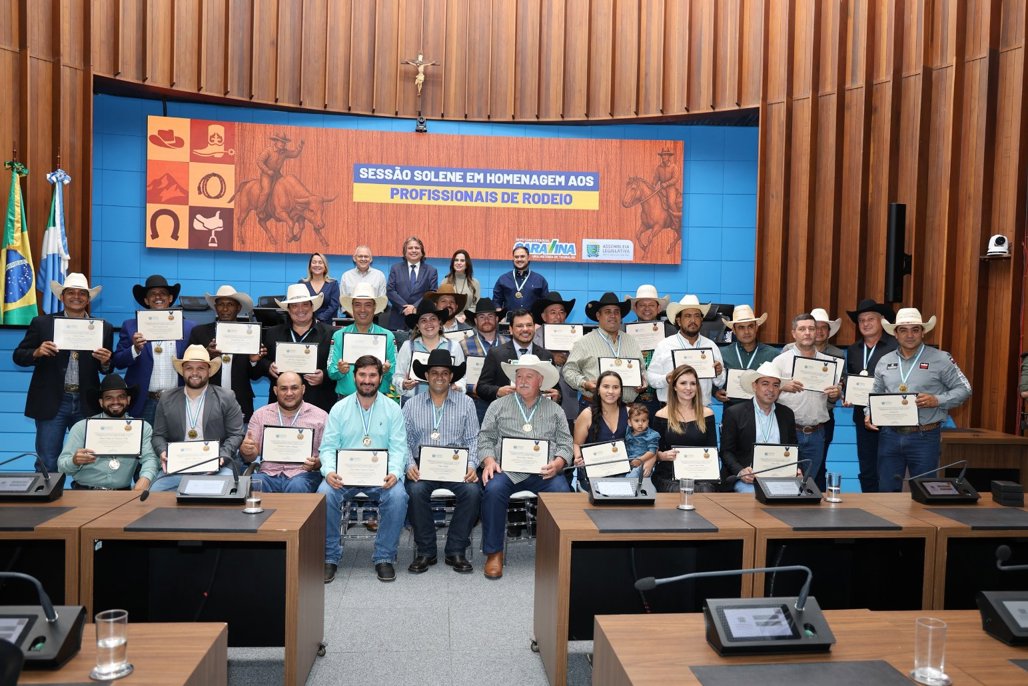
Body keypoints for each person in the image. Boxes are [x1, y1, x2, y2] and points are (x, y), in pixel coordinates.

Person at [479, 355, 572, 578]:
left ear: (541, 381)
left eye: (529, 376)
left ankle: (557, 553)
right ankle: (494, 553)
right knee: (492, 490)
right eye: (519, 376)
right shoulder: (498, 406)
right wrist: (489, 461)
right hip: (506, 470)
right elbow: (485, 438)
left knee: (562, 493)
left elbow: (566, 443)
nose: (522, 381)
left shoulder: (555, 410)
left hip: (544, 472)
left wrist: (558, 463)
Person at [317, 356, 409, 584]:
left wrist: (394, 472)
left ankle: (384, 557)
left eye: (372, 375)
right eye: (362, 375)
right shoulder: (339, 409)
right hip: (343, 477)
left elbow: (399, 448)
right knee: (324, 493)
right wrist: (329, 471)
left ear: (380, 378)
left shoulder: (393, 409)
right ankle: (329, 557)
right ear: (354, 376)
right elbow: (327, 447)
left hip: (381, 477)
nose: (367, 380)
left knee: (398, 496)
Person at [13, 273, 114, 472]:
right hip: (51, 401)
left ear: (88, 298)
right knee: (48, 460)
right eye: (71, 293)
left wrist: (106, 362)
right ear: (62, 296)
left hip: (86, 402)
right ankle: (47, 493)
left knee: (88, 460)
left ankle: (83, 493)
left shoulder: (103, 328)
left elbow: (108, 368)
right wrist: (36, 352)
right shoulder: (42, 323)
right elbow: (18, 356)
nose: (76, 297)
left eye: (82, 293)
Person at [867, 308, 971, 492]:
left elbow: (965, 389)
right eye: (903, 330)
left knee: (925, 492)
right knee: (886, 491)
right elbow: (875, 393)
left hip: (924, 436)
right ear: (895, 334)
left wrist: (937, 400)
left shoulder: (941, 358)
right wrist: (869, 413)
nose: (909, 335)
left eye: (915, 330)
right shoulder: (884, 361)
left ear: (923, 332)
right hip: (889, 436)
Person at [402, 349, 481, 574]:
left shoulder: (466, 403)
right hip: (422, 465)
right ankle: (426, 551)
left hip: (457, 464)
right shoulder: (411, 405)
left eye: (445, 373)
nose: (439, 377)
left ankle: (456, 550)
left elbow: (473, 439)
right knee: (415, 491)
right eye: (434, 373)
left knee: (473, 492)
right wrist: (409, 465)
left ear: (451, 377)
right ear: (426, 376)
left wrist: (471, 465)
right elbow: (403, 441)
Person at [149, 345, 245, 492]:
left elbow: (236, 434)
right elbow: (158, 436)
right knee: (155, 493)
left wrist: (222, 456)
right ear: (182, 371)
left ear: (209, 371)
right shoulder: (167, 399)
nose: (194, 373)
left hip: (216, 467)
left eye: (201, 368)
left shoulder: (226, 397)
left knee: (226, 492)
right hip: (178, 468)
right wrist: (163, 452)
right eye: (189, 368)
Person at [113, 275, 196, 425]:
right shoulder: (131, 326)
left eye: (163, 293)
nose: (158, 297)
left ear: (170, 298)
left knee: (175, 440)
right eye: (153, 294)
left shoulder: (188, 327)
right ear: (146, 300)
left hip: (177, 400)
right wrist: (134, 349)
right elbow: (118, 361)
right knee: (144, 440)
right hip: (144, 401)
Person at [772, 313, 842, 490]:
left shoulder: (829, 363)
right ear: (793, 333)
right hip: (787, 431)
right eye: (802, 329)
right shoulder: (780, 361)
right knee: (784, 484)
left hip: (816, 433)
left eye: (812, 328)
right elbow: (766, 393)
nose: (808, 333)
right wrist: (782, 386)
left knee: (808, 484)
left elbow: (832, 397)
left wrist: (836, 394)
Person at [57, 374, 159, 491]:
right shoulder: (81, 427)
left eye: (121, 397)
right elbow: (62, 467)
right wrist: (74, 461)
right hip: (84, 492)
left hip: (122, 494)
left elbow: (150, 458)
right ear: (101, 402)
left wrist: (145, 479)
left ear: (128, 400)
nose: (116, 401)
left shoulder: (142, 428)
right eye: (109, 398)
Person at [239, 372, 326, 493]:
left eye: (294, 388)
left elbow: (327, 454)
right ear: (275, 391)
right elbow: (250, 456)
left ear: (303, 389)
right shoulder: (260, 415)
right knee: (255, 483)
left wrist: (316, 463)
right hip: (267, 474)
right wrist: (246, 451)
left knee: (297, 486)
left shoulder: (320, 417)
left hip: (303, 474)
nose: (289, 393)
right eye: (284, 388)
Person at [254, 284, 336, 413]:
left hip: (318, 404)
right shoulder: (272, 333)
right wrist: (268, 367)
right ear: (288, 309)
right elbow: (258, 366)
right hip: (281, 408)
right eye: (294, 306)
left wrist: (324, 376)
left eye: (305, 305)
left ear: (312, 307)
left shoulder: (331, 334)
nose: (300, 310)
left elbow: (337, 367)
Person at [719, 362, 798, 493]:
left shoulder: (787, 414)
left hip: (780, 477)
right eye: (765, 384)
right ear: (754, 386)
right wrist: (740, 471)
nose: (771, 389)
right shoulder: (734, 413)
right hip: (748, 479)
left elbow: (794, 447)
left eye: (776, 385)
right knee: (753, 494)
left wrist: (797, 469)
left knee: (798, 495)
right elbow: (726, 452)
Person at [844, 299, 896, 492]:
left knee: (889, 468)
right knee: (867, 469)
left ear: (882, 320)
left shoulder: (895, 347)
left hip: (890, 418)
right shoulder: (853, 350)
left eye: (870, 319)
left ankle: (889, 505)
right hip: (862, 419)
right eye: (861, 320)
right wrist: (847, 395)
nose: (865, 324)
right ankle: (869, 504)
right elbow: (850, 379)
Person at [188, 285, 260, 422]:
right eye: (221, 304)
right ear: (215, 307)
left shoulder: (250, 334)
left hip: (241, 401)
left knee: (240, 436)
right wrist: (207, 355)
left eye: (230, 304)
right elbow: (189, 368)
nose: (225, 309)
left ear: (238, 308)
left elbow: (255, 376)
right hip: (206, 400)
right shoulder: (199, 332)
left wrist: (253, 361)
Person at [564, 292, 648, 408]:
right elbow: (568, 370)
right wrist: (584, 383)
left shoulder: (631, 341)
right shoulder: (583, 342)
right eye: (608, 312)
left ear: (621, 316)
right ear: (598, 316)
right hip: (594, 407)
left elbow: (642, 370)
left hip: (626, 408)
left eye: (616, 312)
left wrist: (643, 381)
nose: (613, 315)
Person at [647, 295, 725, 408]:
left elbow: (720, 382)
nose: (693, 320)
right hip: (671, 410)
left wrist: (719, 373)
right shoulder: (664, 345)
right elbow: (651, 377)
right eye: (688, 316)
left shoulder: (711, 346)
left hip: (702, 410)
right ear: (679, 321)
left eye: (697, 316)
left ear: (701, 320)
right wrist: (666, 379)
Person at [650, 365, 718, 492]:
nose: (688, 388)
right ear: (674, 386)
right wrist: (662, 456)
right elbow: (654, 452)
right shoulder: (661, 415)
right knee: (679, 490)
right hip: (669, 474)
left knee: (705, 490)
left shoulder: (707, 414)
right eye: (683, 383)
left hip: (700, 474)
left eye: (693, 383)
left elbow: (712, 449)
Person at [475, 308, 559, 405]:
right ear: (511, 329)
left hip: (539, 411)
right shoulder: (496, 354)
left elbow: (555, 388)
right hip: (506, 411)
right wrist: (498, 391)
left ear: (534, 327)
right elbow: (481, 387)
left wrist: (557, 396)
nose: (525, 329)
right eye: (520, 326)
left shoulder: (546, 355)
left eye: (529, 325)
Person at [328, 283, 395, 398]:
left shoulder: (388, 336)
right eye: (357, 305)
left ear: (374, 308)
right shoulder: (338, 336)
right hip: (345, 399)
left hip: (379, 399)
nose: (362, 310)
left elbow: (395, 373)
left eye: (368, 305)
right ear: (352, 308)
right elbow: (331, 371)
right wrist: (339, 370)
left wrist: (387, 370)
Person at [393, 300, 466, 401]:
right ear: (417, 325)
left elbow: (462, 377)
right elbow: (397, 376)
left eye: (433, 319)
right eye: (423, 320)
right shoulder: (407, 346)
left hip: (447, 404)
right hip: (414, 404)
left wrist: (458, 386)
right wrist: (403, 384)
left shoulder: (454, 346)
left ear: (439, 322)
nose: (429, 323)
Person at [571, 370, 630, 487]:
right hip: (593, 475)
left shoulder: (630, 413)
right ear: (598, 390)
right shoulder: (587, 414)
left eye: (615, 387)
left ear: (620, 391)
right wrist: (578, 457)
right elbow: (577, 444)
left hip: (625, 475)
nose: (611, 391)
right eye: (606, 386)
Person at [531, 291, 581, 426]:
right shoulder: (533, 338)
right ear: (544, 316)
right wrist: (550, 357)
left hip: (568, 402)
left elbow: (581, 365)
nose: (558, 316)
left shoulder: (576, 337)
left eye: (561, 312)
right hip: (539, 401)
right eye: (553, 312)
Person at [713, 304, 779, 406]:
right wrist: (715, 392)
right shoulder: (722, 353)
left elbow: (779, 384)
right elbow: (710, 381)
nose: (747, 331)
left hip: (763, 411)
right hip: (731, 411)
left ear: (756, 327)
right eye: (741, 327)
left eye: (750, 326)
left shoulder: (773, 354)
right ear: (734, 330)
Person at [625, 285, 674, 419]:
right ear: (635, 308)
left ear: (658, 308)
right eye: (642, 305)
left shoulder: (670, 333)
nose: (647, 308)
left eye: (651, 305)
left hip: (662, 399)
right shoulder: (624, 333)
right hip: (632, 398)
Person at [460, 298, 509, 422]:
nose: (486, 320)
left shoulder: (508, 343)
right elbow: (458, 375)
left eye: (490, 316)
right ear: (475, 320)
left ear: (497, 319)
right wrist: (471, 387)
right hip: (475, 403)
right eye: (481, 317)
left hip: (505, 402)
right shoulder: (463, 345)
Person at [386, 236, 438, 330]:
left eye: (417, 248)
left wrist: (414, 307)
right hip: (398, 318)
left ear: (422, 252)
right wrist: (404, 308)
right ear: (405, 252)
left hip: (421, 319)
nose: (414, 250)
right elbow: (390, 291)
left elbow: (432, 293)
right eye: (410, 248)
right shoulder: (395, 268)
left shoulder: (431, 271)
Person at [492, 245, 548, 312]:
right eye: (516, 257)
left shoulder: (540, 280)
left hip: (532, 318)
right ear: (513, 259)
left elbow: (545, 304)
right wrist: (500, 315)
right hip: (509, 318)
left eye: (522, 256)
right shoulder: (503, 279)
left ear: (528, 258)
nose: (519, 259)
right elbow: (496, 301)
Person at [298, 252, 340, 324]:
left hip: (327, 324)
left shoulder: (333, 284)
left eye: (320, 262)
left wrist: (320, 319)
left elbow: (334, 305)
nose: (317, 265)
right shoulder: (302, 284)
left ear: (325, 266)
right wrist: (310, 320)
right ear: (310, 266)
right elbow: (299, 305)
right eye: (314, 262)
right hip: (306, 323)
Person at [442, 249, 481, 319]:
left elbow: (476, 305)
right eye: (456, 260)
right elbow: (441, 304)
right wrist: (454, 317)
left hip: (468, 320)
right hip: (449, 319)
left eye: (462, 261)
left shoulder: (474, 283)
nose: (459, 263)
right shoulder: (445, 282)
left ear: (467, 264)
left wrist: (465, 316)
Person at [624, 403, 660, 478]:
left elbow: (652, 451)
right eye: (636, 421)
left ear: (648, 421)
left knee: (632, 477)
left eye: (643, 420)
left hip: (643, 463)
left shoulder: (651, 435)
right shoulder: (628, 432)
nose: (640, 423)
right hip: (629, 464)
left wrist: (640, 460)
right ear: (630, 422)